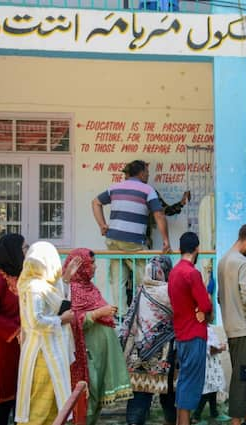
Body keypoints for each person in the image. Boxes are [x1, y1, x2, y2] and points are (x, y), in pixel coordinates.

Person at [92, 159, 171, 308]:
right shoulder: (147, 190)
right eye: (147, 172)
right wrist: (166, 240)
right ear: (141, 173)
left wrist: (102, 225)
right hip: (133, 242)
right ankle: (145, 312)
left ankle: (121, 317)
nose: (148, 175)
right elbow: (159, 215)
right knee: (145, 278)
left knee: (118, 279)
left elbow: (95, 202)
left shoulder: (114, 187)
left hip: (113, 240)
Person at [66, 249, 133, 425]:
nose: (95, 267)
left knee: (96, 402)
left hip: (100, 354)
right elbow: (73, 321)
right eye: (91, 264)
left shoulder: (90, 287)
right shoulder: (73, 290)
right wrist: (98, 313)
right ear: (81, 267)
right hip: (88, 355)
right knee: (88, 398)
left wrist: (103, 313)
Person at [15, 242, 75, 425]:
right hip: (42, 354)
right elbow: (36, 321)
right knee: (40, 405)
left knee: (52, 403)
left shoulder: (41, 284)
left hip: (50, 350)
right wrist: (62, 320)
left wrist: (65, 279)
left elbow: (57, 304)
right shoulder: (35, 287)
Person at [121, 256, 178, 425]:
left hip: (138, 352)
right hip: (163, 353)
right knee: (168, 394)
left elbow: (130, 319)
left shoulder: (141, 290)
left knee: (139, 394)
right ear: (166, 272)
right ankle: (171, 421)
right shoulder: (168, 292)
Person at [217, 224, 246, 425]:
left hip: (230, 325)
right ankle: (237, 420)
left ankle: (245, 416)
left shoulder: (223, 261)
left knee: (241, 372)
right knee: (244, 376)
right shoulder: (242, 263)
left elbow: (220, 297)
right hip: (245, 327)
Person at [168, 232, 212, 425]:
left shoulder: (174, 271)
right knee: (190, 382)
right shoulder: (192, 273)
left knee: (184, 379)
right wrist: (202, 309)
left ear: (179, 250)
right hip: (194, 332)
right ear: (197, 249)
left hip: (181, 331)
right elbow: (206, 305)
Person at [0, 234, 26, 425]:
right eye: (24, 248)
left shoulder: (21, 276)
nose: (27, 252)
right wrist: (14, 330)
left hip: (19, 349)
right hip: (2, 350)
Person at [191, 324, 229, 425]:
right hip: (207, 364)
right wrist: (221, 348)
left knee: (213, 388)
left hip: (209, 364)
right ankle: (196, 416)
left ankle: (214, 412)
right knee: (206, 390)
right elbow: (210, 350)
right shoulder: (204, 329)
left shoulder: (204, 328)